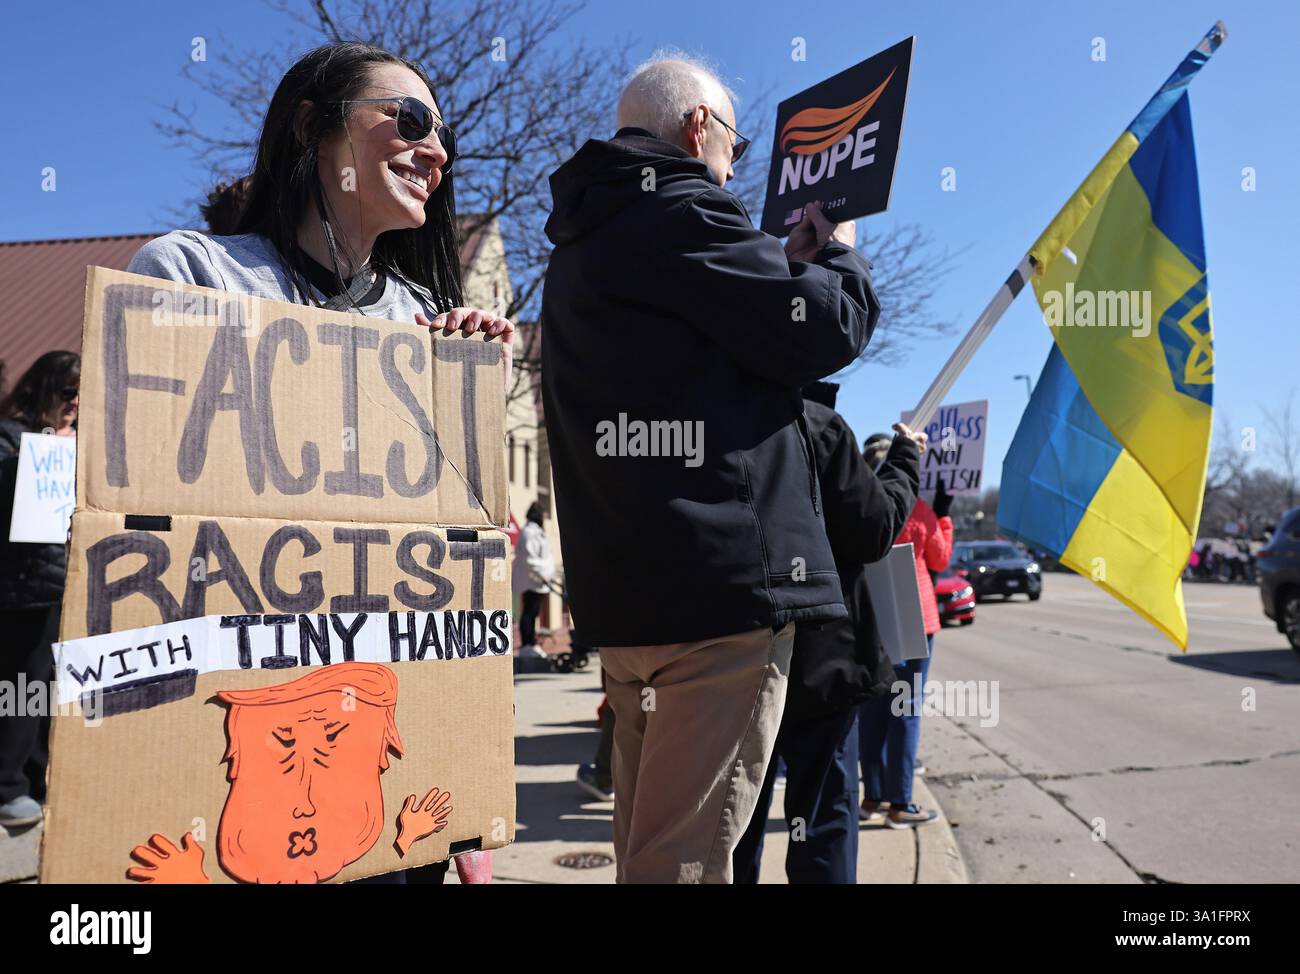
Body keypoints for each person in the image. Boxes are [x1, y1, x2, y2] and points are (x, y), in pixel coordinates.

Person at [126, 42, 510, 885]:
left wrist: (468, 391)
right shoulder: (194, 275)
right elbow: (141, 520)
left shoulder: (430, 328)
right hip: (241, 740)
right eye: (408, 119)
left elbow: (453, 559)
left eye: (443, 134)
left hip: (378, 753)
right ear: (315, 127)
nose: (437, 150)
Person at [540, 53, 881, 883]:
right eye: (733, 142)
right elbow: (823, 328)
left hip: (631, 607)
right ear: (698, 127)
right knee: (682, 864)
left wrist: (783, 260)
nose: (735, 166)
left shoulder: (584, 243)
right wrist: (837, 255)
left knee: (650, 851)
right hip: (713, 605)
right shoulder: (684, 211)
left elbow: (725, 348)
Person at [732, 381, 922, 884]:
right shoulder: (817, 425)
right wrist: (905, 461)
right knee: (821, 821)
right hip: (823, 663)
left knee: (733, 821)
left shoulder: (703, 424)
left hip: (730, 660)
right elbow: (873, 528)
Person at [0, 351, 79, 826]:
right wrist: (46, 452)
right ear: (42, 388)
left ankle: (38, 781)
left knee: (51, 690)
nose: (73, 404)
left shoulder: (81, 438)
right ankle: (8, 787)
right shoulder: (9, 438)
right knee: (21, 688)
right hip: (21, 587)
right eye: (67, 392)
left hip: (62, 585)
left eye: (80, 395)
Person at [858, 458, 954, 828]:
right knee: (906, 710)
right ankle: (901, 803)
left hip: (874, 616)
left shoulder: (866, 505)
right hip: (916, 618)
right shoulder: (918, 510)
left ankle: (873, 797)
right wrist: (943, 515)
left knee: (873, 710)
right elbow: (941, 559)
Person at [512, 501, 556, 659]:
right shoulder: (529, 533)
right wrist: (542, 574)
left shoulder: (535, 532)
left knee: (533, 612)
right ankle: (526, 645)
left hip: (537, 580)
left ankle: (531, 643)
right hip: (532, 580)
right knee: (529, 613)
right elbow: (529, 559)